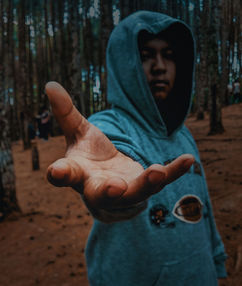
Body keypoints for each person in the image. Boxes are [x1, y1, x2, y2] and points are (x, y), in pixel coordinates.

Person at [45, 11, 227, 286]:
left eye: (168, 55)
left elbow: (203, 207)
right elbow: (112, 158)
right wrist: (117, 196)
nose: (159, 66)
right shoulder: (110, 126)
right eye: (145, 55)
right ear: (124, 64)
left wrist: (216, 259)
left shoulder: (184, 135)